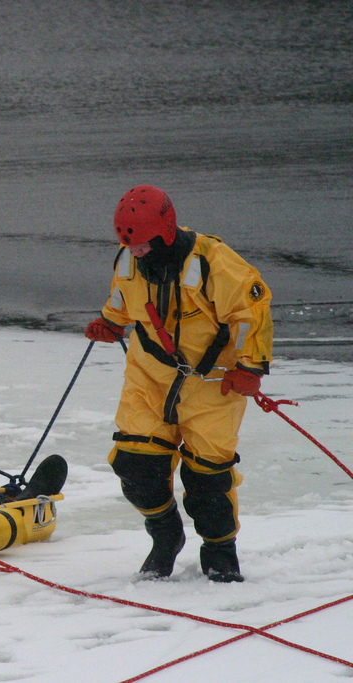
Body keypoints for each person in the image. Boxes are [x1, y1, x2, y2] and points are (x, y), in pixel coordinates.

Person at [85, 185, 273, 582]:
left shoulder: (215, 263)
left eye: (141, 245)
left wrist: (250, 368)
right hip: (148, 375)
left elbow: (250, 313)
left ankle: (220, 552)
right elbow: (121, 299)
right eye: (129, 244)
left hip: (211, 385)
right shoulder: (128, 259)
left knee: (208, 477)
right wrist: (110, 323)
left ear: (165, 232)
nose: (135, 252)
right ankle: (165, 536)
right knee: (135, 464)